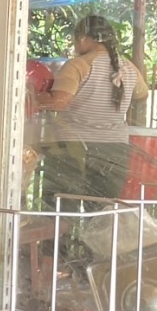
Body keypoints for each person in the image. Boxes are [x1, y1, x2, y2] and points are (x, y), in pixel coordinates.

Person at [36, 15, 149, 203]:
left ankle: (65, 234)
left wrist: (32, 97)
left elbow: (59, 102)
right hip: (114, 150)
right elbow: (142, 96)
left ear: (82, 38)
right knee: (102, 215)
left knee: (61, 212)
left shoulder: (79, 65)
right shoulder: (128, 67)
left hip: (73, 148)